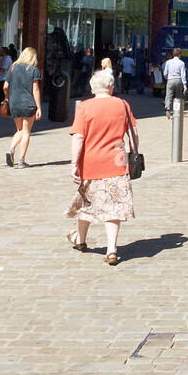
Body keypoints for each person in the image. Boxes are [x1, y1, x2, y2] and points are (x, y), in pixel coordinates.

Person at [66, 68, 137, 266]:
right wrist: (133, 151)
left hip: (91, 163)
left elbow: (78, 137)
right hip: (117, 163)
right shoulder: (122, 105)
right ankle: (112, 249)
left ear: (93, 88)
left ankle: (81, 241)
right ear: (111, 87)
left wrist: (74, 164)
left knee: (86, 203)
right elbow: (133, 134)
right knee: (114, 208)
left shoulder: (85, 107)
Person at [4, 46, 43, 168]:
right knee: (26, 132)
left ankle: (11, 149)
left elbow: (5, 86)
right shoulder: (33, 70)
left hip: (14, 103)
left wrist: (7, 97)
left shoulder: (13, 68)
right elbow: (35, 90)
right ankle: (21, 160)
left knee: (19, 130)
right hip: (28, 103)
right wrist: (39, 107)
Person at [163, 48, 187, 119]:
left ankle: (167, 108)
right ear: (179, 55)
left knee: (168, 96)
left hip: (170, 80)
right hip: (178, 80)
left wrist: (167, 78)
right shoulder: (182, 63)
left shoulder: (168, 62)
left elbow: (165, 73)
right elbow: (183, 75)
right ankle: (176, 112)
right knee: (177, 97)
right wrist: (185, 85)